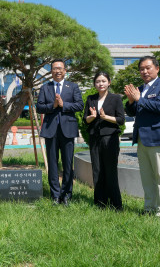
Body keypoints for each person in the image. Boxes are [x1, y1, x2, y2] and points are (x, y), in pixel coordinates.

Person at [124, 56, 160, 217]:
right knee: (146, 177)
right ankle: (149, 208)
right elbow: (131, 112)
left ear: (157, 68)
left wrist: (140, 99)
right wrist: (131, 101)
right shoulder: (140, 89)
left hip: (159, 137)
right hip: (142, 137)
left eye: (148, 68)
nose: (144, 71)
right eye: (141, 69)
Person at [36, 59, 84, 206]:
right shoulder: (45, 87)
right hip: (51, 131)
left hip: (68, 130)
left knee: (68, 164)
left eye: (60, 68)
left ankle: (67, 194)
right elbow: (39, 107)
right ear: (51, 72)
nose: (57, 71)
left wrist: (64, 105)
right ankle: (55, 195)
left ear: (65, 71)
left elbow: (80, 105)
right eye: (54, 68)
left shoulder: (73, 86)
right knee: (53, 164)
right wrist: (53, 105)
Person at [83, 71, 125, 210]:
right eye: (98, 81)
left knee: (110, 170)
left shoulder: (116, 99)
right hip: (95, 138)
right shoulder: (91, 98)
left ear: (109, 82)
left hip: (110, 138)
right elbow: (86, 120)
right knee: (97, 170)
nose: (100, 84)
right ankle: (100, 203)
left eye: (103, 81)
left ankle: (116, 204)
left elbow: (120, 120)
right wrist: (93, 116)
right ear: (95, 84)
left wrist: (105, 117)